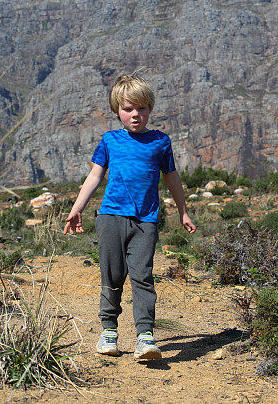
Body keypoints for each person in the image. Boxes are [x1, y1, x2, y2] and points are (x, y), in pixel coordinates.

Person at [64, 73, 196, 360]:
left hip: (146, 221)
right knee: (111, 275)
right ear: (117, 111)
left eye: (142, 108)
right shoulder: (109, 140)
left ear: (150, 108)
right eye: (128, 109)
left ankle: (145, 336)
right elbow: (95, 176)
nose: (136, 115)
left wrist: (183, 211)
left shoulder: (161, 142)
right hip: (111, 217)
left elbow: (172, 179)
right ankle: (108, 331)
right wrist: (77, 209)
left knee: (142, 276)